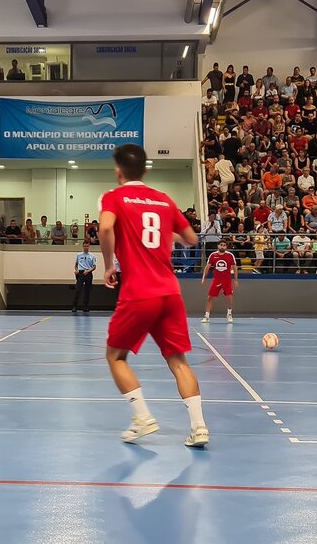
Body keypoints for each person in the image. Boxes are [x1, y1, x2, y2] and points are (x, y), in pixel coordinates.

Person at [98, 144, 208, 448]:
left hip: (139, 292)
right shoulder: (163, 199)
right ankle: (199, 428)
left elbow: (106, 228)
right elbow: (191, 239)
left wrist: (109, 265)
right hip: (170, 292)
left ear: (118, 170)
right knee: (179, 361)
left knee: (115, 357)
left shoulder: (114, 197)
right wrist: (162, 234)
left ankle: (143, 418)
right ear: (145, 170)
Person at [201, 240, 237, 324]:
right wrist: (203, 278)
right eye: (221, 245)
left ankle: (229, 314)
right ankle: (206, 316)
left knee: (229, 297)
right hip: (216, 279)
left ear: (226, 247)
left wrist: (235, 279)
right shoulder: (213, 255)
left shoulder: (230, 255)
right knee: (210, 297)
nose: (222, 247)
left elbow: (234, 268)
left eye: (224, 245)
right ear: (218, 246)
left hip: (227, 279)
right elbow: (207, 267)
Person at [72, 242, 96, 313]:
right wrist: (76, 270)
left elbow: (94, 267)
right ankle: (75, 306)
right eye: (85, 246)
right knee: (78, 290)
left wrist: (88, 271)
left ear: (89, 246)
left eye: (87, 246)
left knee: (87, 291)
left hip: (88, 273)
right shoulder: (79, 255)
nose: (86, 247)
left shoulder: (92, 256)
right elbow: (76, 264)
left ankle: (85, 306)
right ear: (83, 246)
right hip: (81, 273)